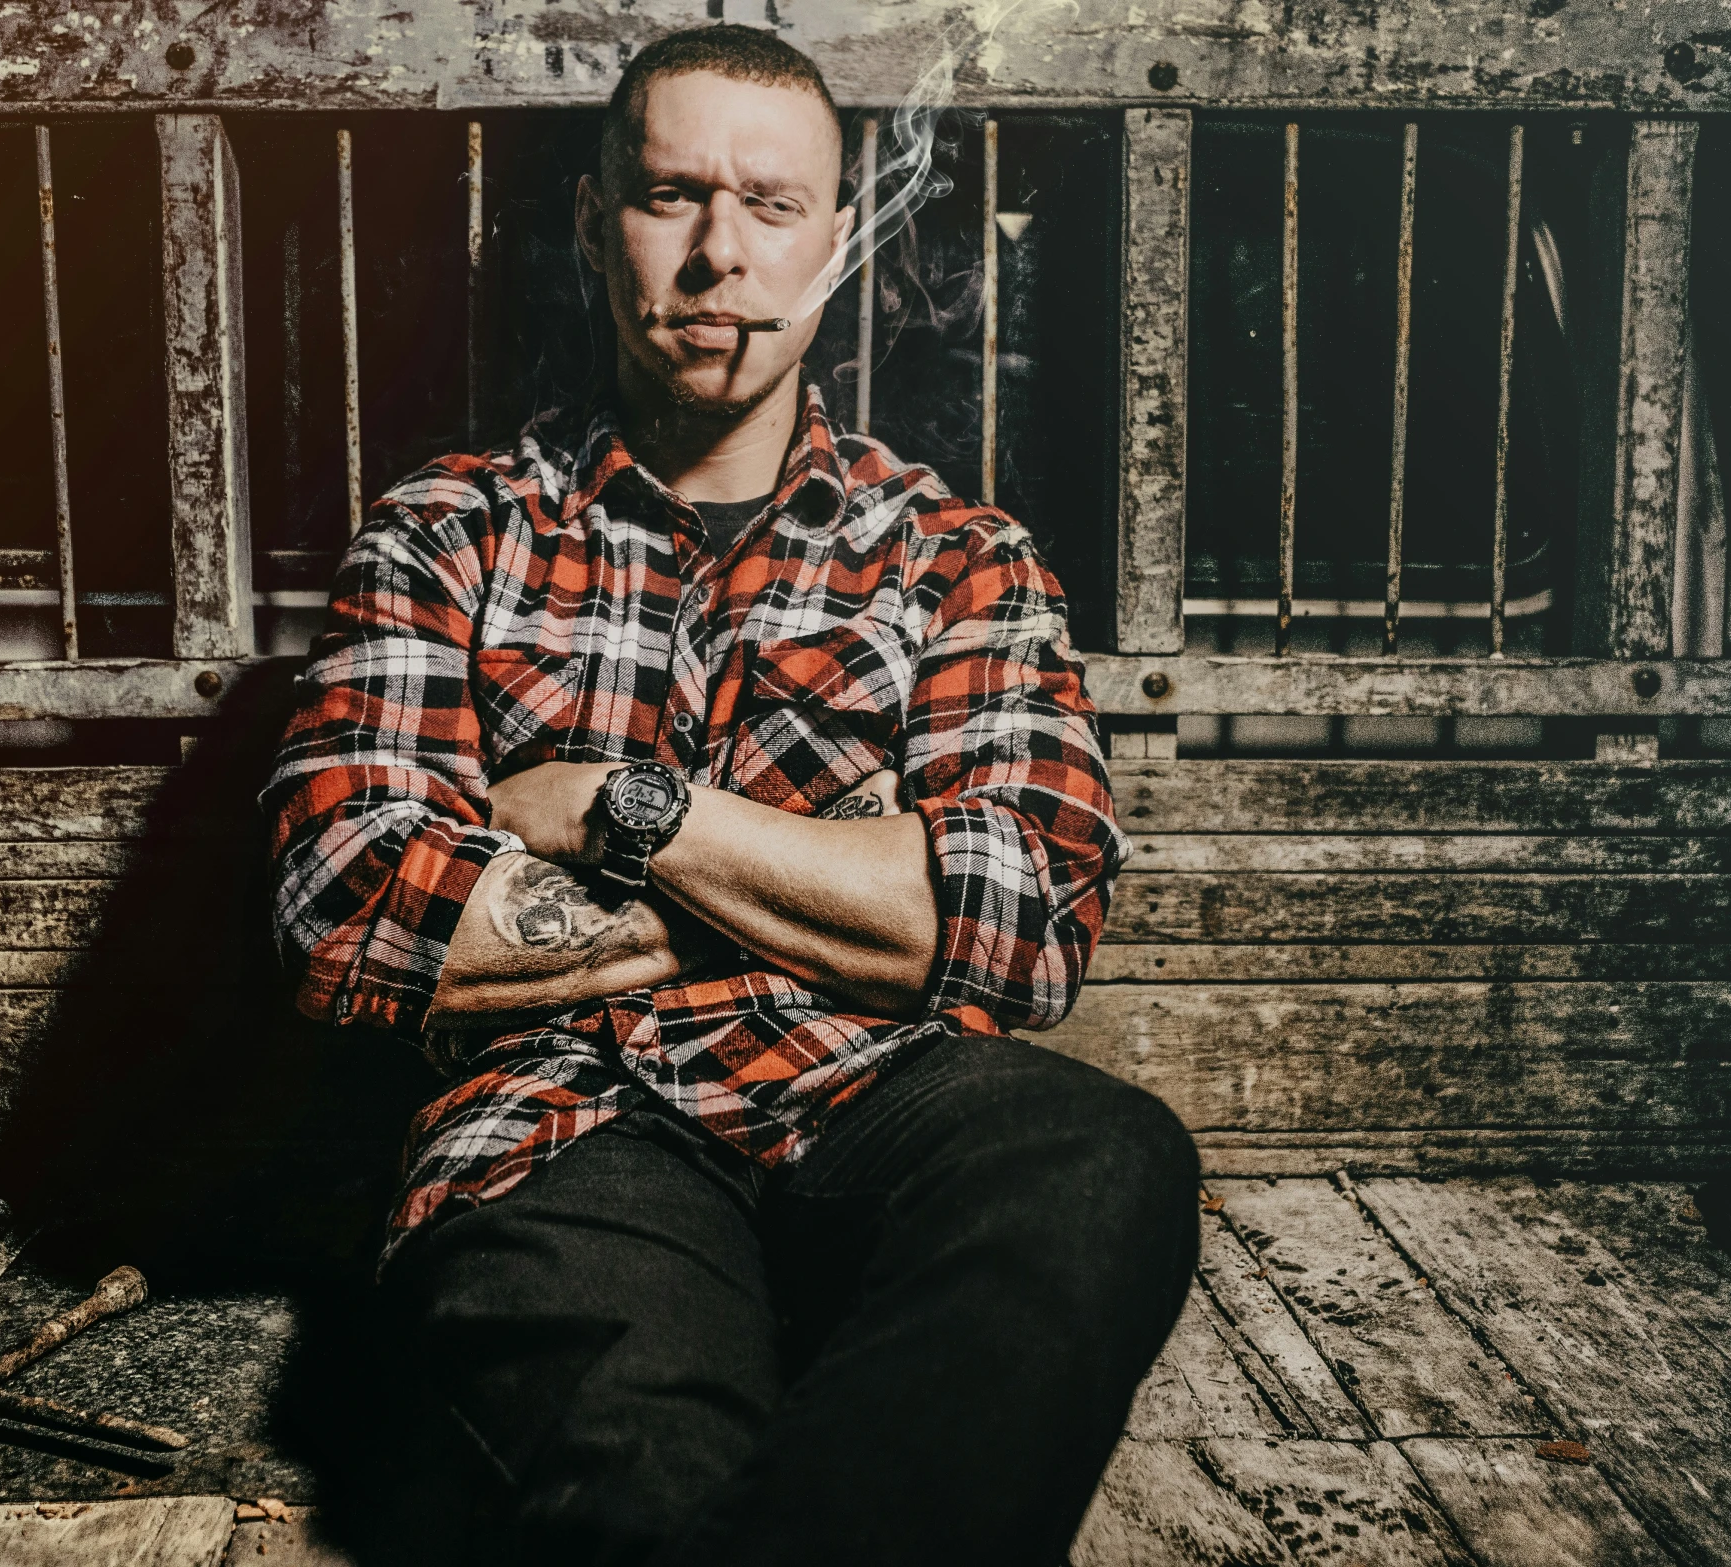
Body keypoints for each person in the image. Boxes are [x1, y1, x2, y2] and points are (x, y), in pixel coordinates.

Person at [264, 24, 1197, 1566]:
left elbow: (1022, 921)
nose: (717, 255)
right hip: (559, 1122)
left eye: (769, 206)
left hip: (878, 1105)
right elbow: (349, 908)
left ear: (837, 245)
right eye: (670, 196)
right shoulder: (448, 533)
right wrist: (845, 899)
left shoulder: (955, 555)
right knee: (644, 1494)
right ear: (589, 225)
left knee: (1100, 1156)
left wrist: (628, 811)